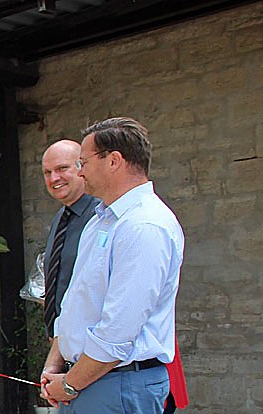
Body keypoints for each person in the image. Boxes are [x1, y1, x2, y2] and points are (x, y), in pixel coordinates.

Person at [41, 117, 184, 414]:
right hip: (86, 380)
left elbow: (118, 331)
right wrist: (55, 364)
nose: (81, 171)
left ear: (114, 161)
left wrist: (69, 384)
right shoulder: (100, 221)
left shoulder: (144, 225)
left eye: (83, 162)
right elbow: (75, 303)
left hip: (119, 383)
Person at [39, 140, 101, 339]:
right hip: (63, 340)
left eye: (62, 168)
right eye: (47, 172)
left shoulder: (101, 216)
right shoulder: (61, 217)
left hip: (91, 342)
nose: (54, 178)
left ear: (81, 168)